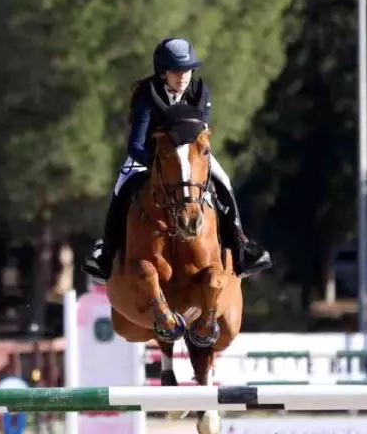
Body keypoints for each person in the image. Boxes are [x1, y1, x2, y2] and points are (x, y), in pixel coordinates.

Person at [82, 36, 272, 282]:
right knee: (121, 187)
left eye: (187, 70)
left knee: (223, 180)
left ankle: (241, 246)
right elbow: (136, 143)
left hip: (191, 157)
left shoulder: (200, 93)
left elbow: (200, 138)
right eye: (176, 71)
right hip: (150, 154)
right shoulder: (146, 96)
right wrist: (160, 163)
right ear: (162, 73)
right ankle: (106, 253)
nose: (183, 76)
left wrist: (190, 161)